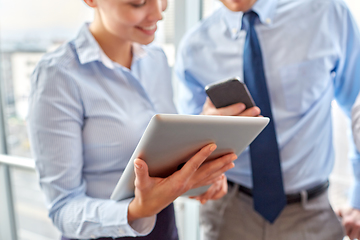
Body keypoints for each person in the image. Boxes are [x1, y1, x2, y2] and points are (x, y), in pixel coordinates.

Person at [26, 0, 237, 239]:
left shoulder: (155, 58)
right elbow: (62, 208)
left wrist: (196, 176)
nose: (158, 14)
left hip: (164, 229)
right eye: (138, 3)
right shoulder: (58, 75)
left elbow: (160, 152)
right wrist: (137, 210)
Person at [175, 0, 360, 239]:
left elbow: (356, 107)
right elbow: (189, 148)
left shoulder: (327, 13)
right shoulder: (195, 47)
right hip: (229, 213)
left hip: (312, 215)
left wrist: (358, 199)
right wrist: (204, 130)